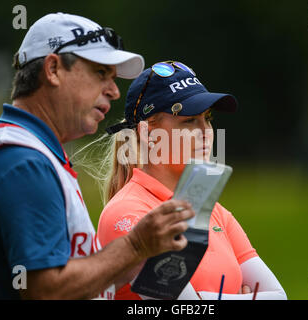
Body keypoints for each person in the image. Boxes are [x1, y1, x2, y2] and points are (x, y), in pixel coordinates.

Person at [0, 14, 195, 300]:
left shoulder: (32, 151)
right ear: (53, 69)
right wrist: (136, 245)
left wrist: (137, 255)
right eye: (101, 73)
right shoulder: (23, 161)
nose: (114, 91)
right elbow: (46, 291)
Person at [94, 61, 287, 299]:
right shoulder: (126, 212)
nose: (205, 131)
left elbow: (279, 296)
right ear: (147, 133)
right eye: (188, 121)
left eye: (208, 118)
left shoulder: (215, 211)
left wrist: (204, 297)